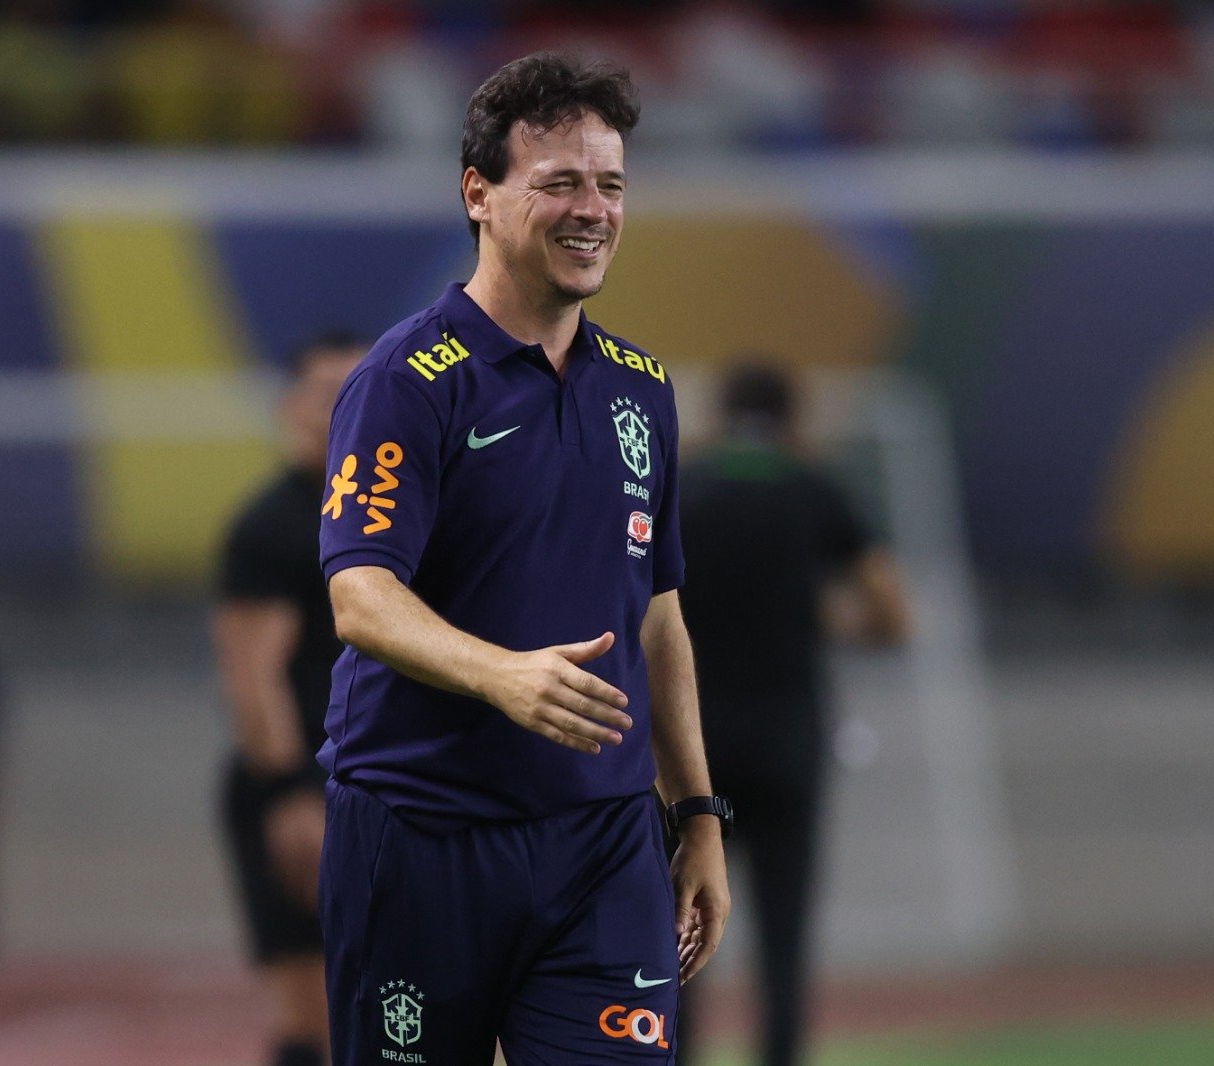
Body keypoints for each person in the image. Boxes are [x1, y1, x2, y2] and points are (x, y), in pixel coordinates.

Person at [316, 52, 730, 1066]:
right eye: (560, 183)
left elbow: (658, 614)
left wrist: (698, 817)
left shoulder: (642, 390)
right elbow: (361, 597)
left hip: (601, 845)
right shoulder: (407, 381)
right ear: (479, 194)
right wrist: (502, 674)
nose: (594, 209)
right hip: (420, 838)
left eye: (611, 184)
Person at [674, 364, 910, 1066]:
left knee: (678, 931)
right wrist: (818, 621)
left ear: (721, 412)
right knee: (784, 938)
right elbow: (893, 613)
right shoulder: (815, 488)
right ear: (794, 417)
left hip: (690, 750)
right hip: (788, 742)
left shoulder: (683, 487)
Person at [215, 332, 368, 1066]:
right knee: (318, 1019)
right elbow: (252, 672)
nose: (345, 407)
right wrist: (287, 792)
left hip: (385, 784)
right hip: (306, 786)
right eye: (328, 390)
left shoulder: (391, 509)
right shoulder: (273, 525)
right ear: (292, 405)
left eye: (359, 389)